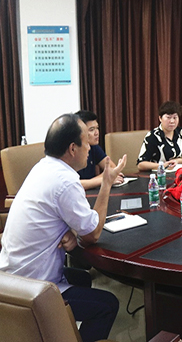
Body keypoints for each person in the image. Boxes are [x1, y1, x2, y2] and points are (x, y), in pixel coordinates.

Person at [0, 113, 127, 342]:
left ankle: (66, 329)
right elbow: (93, 233)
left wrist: (71, 231)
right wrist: (106, 184)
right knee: (108, 305)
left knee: (83, 279)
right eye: (86, 142)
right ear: (72, 148)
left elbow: (57, 218)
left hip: (10, 277)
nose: (90, 148)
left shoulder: (42, 167)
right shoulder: (66, 181)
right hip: (33, 288)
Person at [75, 110, 125, 189]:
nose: (96, 133)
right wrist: (103, 180)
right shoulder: (72, 151)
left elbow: (112, 168)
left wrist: (92, 182)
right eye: (91, 129)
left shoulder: (94, 147)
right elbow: (73, 184)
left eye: (97, 128)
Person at [137, 101, 182, 171]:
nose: (172, 121)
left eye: (175, 118)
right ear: (160, 118)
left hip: (179, 172)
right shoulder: (153, 136)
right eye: (168, 117)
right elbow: (140, 164)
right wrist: (161, 166)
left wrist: (177, 161)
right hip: (159, 174)